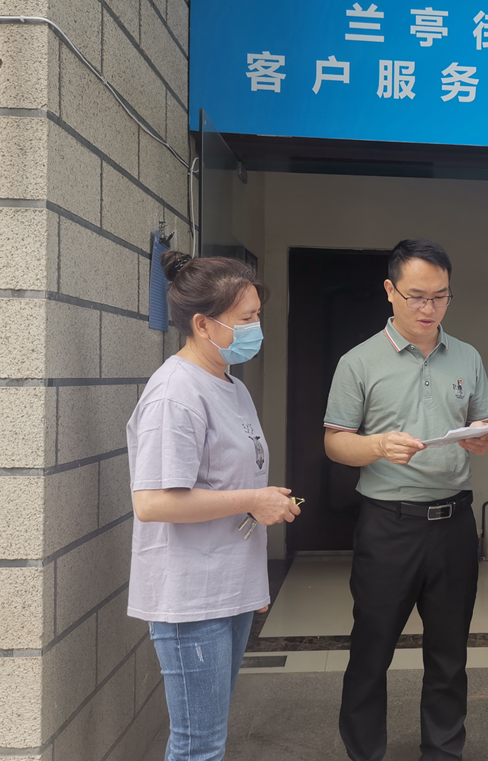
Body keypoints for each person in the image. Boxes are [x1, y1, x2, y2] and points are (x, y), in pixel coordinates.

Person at [324, 238, 488, 761]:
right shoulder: (358, 361)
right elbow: (335, 442)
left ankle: (443, 751)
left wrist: (483, 439)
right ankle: (364, 752)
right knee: (371, 650)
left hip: (454, 522)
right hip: (389, 525)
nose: (429, 308)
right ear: (390, 291)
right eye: (417, 296)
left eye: (440, 297)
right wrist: (378, 445)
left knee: (449, 654)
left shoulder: (466, 355)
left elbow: (484, 426)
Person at [126, 251, 301, 761]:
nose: (256, 328)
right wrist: (254, 499)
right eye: (246, 318)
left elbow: (231, 483)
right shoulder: (175, 393)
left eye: (257, 316)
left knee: (209, 735)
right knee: (198, 744)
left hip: (228, 588)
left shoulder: (231, 386)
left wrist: (252, 581)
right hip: (190, 597)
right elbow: (153, 501)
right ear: (203, 324)